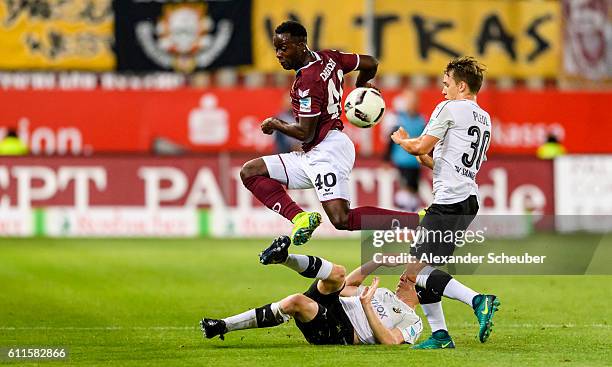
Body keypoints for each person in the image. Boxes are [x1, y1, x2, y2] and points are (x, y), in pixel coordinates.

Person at [240, 20, 418, 247]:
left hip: (327, 149)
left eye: (283, 48)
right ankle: (300, 217)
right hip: (314, 152)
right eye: (276, 48)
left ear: (301, 45)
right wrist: (361, 85)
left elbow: (305, 132)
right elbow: (370, 63)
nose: (278, 54)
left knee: (341, 218)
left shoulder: (308, 81)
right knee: (251, 171)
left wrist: (275, 123)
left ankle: (416, 221)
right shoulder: (329, 57)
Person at [390, 56, 499, 349]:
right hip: (467, 200)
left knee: (417, 272)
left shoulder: (449, 107)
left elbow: (420, 147)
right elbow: (433, 161)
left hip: (449, 201)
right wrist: (416, 149)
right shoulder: (484, 117)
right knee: (424, 270)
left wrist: (402, 140)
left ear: (461, 85)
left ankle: (478, 300)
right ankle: (440, 335)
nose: (442, 90)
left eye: (446, 84)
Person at [200, 236, 423, 345]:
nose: (402, 278)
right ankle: (283, 258)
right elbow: (347, 286)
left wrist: (366, 306)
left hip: (343, 331)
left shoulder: (413, 321)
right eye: (404, 275)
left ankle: (223, 325)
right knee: (338, 273)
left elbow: (391, 342)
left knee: (295, 302)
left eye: (409, 279)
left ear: (421, 292)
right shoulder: (383, 293)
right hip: (338, 306)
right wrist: (377, 261)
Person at [384, 89, 425, 211]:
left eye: (414, 100)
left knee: (413, 190)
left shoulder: (422, 120)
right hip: (402, 160)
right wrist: (386, 159)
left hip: (416, 162)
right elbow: (391, 139)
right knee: (405, 189)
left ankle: (410, 217)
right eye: (409, 100)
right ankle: (403, 218)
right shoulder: (398, 119)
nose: (412, 103)